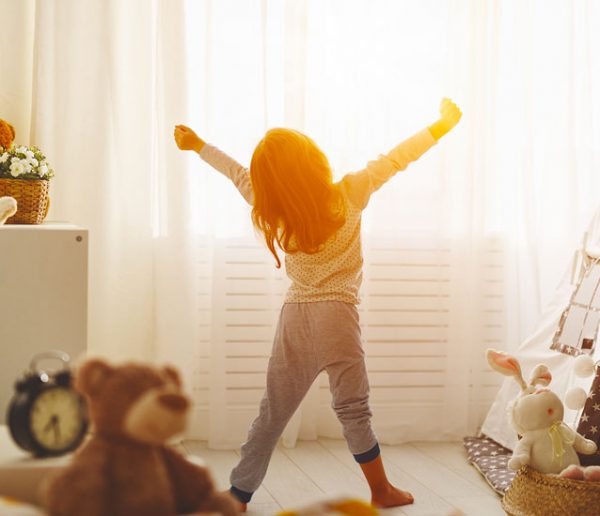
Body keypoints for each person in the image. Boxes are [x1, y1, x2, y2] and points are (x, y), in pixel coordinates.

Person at [174, 98, 462, 510]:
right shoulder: (349, 191)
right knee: (353, 409)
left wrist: (199, 145)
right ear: (314, 160)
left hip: (295, 316)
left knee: (272, 413)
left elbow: (237, 174)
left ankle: (239, 494)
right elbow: (398, 158)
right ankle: (381, 489)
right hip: (338, 317)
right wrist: (441, 126)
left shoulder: (272, 207)